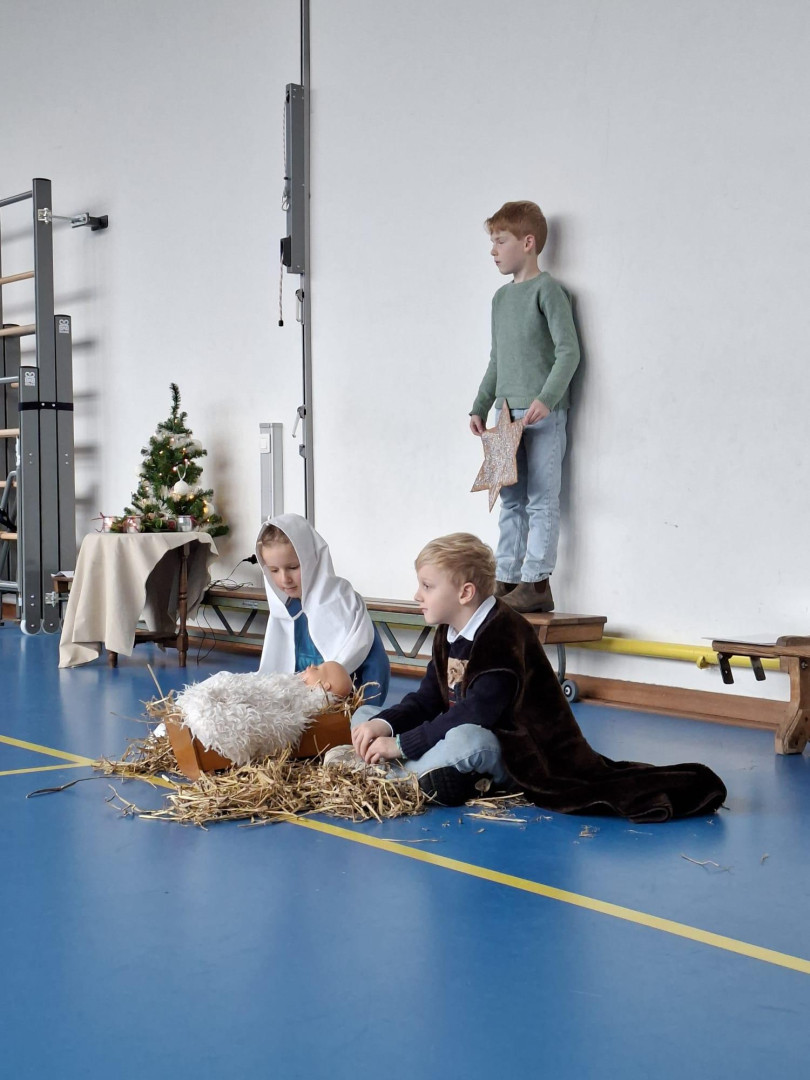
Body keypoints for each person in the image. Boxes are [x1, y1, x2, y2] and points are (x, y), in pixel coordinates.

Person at [342, 533, 727, 821]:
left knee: (466, 739)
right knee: (363, 716)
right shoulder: (449, 632)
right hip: (459, 732)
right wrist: (384, 724)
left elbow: (473, 714)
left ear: (465, 593)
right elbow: (428, 699)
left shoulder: (503, 634)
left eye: (427, 586)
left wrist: (401, 745)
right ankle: (412, 768)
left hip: (516, 754)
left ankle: (399, 775)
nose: (416, 595)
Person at [470, 200, 581, 613]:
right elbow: (497, 360)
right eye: (493, 242)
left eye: (501, 241)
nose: (493, 250)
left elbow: (568, 352)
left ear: (528, 243)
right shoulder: (500, 300)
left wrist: (546, 400)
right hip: (505, 417)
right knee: (511, 499)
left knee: (541, 498)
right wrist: (480, 405)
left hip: (542, 416)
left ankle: (536, 583)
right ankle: (508, 577)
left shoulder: (549, 291)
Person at [256, 513, 390, 706]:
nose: (284, 579)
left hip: (343, 710)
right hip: (299, 706)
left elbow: (375, 664)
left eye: (293, 567)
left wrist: (366, 710)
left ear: (311, 559)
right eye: (274, 570)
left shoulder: (342, 602)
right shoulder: (287, 611)